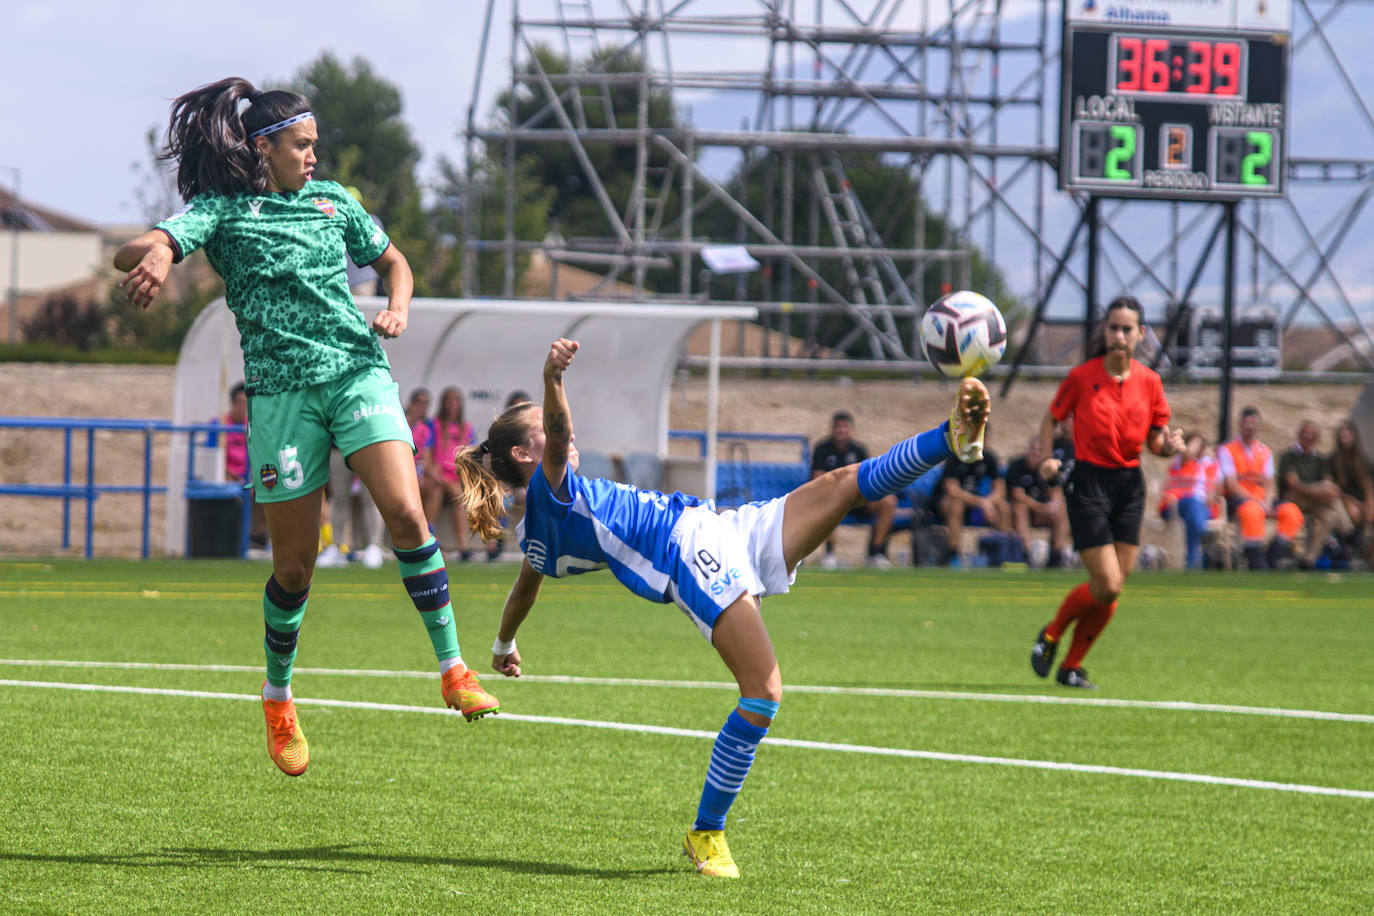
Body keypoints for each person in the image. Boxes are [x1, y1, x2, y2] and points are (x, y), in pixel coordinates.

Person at [454, 338, 989, 879]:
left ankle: (951, 438)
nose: (562, 439)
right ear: (525, 455)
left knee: (843, 484)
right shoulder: (548, 493)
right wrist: (553, 378)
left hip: (722, 526)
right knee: (763, 692)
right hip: (688, 550)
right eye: (541, 436)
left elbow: (526, 588)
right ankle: (706, 832)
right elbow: (561, 435)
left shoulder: (537, 532)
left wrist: (504, 645)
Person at [114, 77, 499, 777]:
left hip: (357, 373)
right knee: (294, 566)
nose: (313, 156)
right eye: (302, 145)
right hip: (281, 398)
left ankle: (453, 668)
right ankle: (278, 697)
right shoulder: (225, 209)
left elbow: (394, 261)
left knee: (409, 513)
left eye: (316, 145)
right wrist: (159, 253)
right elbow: (159, 241)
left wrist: (399, 306)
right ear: (265, 148)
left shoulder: (335, 202)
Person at [1029, 297, 1184, 689]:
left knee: (1109, 589)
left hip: (1130, 487)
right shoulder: (1082, 377)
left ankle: (1070, 667)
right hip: (1088, 484)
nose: (1119, 335)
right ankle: (1052, 632)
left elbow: (1156, 442)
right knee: (1109, 584)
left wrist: (1170, 446)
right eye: (1113, 328)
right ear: (1105, 331)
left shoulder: (1150, 382)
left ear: (1141, 334)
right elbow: (1051, 418)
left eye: (1127, 329)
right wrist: (1047, 458)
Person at [1217, 407, 1303, 570]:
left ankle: (1273, 556)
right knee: (1252, 511)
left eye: (1253, 423)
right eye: (1246, 423)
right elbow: (1231, 483)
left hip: (1262, 498)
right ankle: (1255, 558)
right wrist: (1256, 501)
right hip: (1240, 497)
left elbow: (1269, 482)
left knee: (1292, 512)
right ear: (1240, 425)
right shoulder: (1227, 449)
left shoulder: (1264, 451)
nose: (1249, 426)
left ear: (1258, 425)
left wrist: (1268, 501)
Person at [809, 410, 896, 568]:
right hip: (834, 500)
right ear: (832, 429)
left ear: (851, 429)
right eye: (838, 427)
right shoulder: (822, 448)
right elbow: (818, 479)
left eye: (845, 427)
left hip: (856, 499)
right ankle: (829, 554)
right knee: (829, 503)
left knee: (888, 501)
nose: (841, 430)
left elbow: (867, 477)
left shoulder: (858, 450)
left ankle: (876, 553)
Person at [1277, 421, 1353, 569]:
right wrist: (1318, 490)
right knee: (1326, 489)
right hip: (1293, 500)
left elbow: (1329, 484)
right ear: (1299, 435)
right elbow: (1294, 484)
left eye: (1312, 434)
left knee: (1330, 516)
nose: (1308, 437)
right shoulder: (1288, 456)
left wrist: (1324, 490)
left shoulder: (1320, 459)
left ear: (1317, 438)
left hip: (1315, 502)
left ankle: (1309, 559)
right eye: (1305, 433)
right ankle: (1348, 531)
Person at [937, 436, 1010, 565]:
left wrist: (988, 503)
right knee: (956, 505)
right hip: (947, 503)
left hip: (975, 504)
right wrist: (983, 503)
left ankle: (1004, 553)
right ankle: (953, 554)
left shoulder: (989, 458)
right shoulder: (955, 458)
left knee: (1003, 507)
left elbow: (1000, 490)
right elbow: (952, 491)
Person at [1157, 431, 1220, 571]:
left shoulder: (1211, 464)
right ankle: (1199, 545)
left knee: (1195, 510)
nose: (1202, 447)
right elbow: (1188, 453)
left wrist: (1213, 495)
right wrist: (1197, 439)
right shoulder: (1181, 460)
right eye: (1199, 444)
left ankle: (1193, 559)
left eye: (1203, 444)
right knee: (1193, 503)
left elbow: (1216, 487)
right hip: (1176, 504)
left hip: (1203, 508)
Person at [1005, 435, 1070, 568]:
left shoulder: (1048, 470)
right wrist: (1040, 507)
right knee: (1020, 508)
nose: (1035, 453)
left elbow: (1057, 492)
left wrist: (1053, 504)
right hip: (1023, 513)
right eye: (1032, 449)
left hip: (1041, 514)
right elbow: (1017, 495)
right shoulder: (1017, 466)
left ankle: (1057, 555)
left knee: (1062, 509)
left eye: (1039, 451)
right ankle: (1026, 553)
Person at [434, 386, 479, 560]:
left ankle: (464, 545)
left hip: (456, 477)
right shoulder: (435, 425)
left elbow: (471, 457)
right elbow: (428, 452)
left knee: (460, 493)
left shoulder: (466, 427)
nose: (451, 404)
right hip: (437, 476)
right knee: (439, 493)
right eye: (448, 399)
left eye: (455, 400)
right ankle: (460, 546)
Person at [223, 381, 268, 549]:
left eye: (246, 403)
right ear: (232, 403)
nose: (243, 407)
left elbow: (262, 454)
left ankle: (259, 535)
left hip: (250, 476)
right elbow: (212, 457)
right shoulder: (219, 424)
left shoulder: (256, 426)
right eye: (239, 402)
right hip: (229, 476)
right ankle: (230, 538)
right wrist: (232, 476)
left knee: (270, 486)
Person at [1330, 420, 1374, 564]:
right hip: (1344, 500)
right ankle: (1355, 545)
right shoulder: (1333, 461)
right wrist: (1357, 504)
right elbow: (1334, 489)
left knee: (1369, 512)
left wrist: (1369, 504)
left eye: (1347, 433)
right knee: (1353, 512)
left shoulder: (1362, 460)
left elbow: (1368, 486)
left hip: (1362, 501)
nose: (1344, 436)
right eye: (1341, 433)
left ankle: (1368, 554)